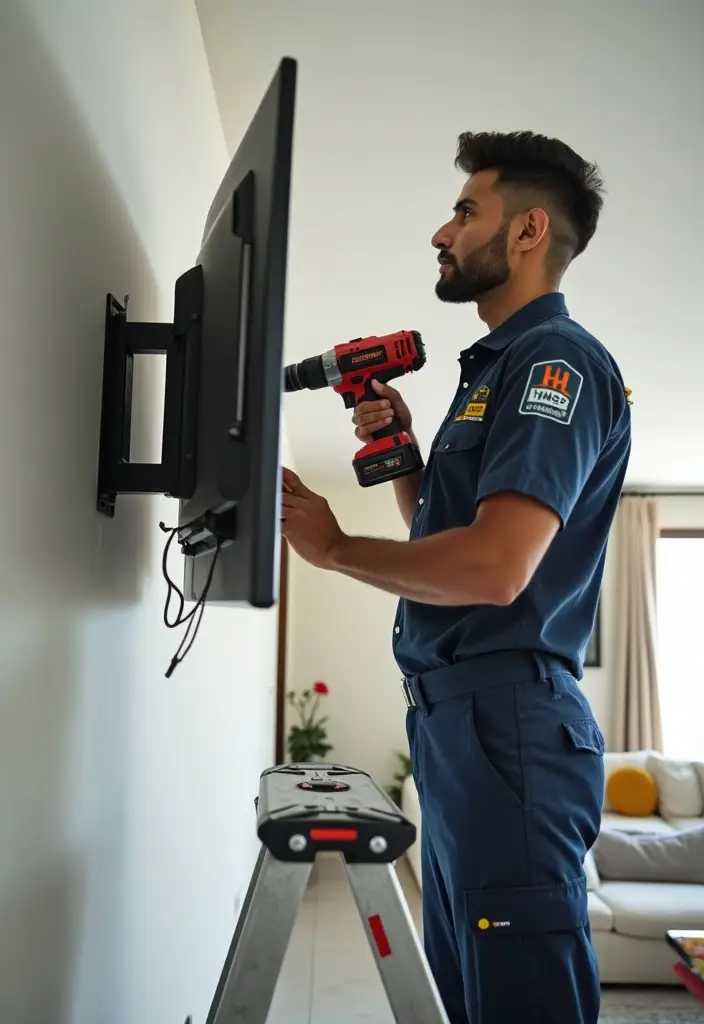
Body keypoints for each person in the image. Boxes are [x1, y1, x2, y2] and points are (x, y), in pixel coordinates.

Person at [280, 130, 632, 1024]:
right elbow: (449, 537)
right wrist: (402, 459)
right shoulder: (490, 374)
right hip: (458, 724)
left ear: (526, 233)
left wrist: (333, 550)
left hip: (508, 722)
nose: (442, 233)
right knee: (467, 993)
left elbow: (495, 569)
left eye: (466, 211)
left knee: (521, 1000)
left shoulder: (556, 365)